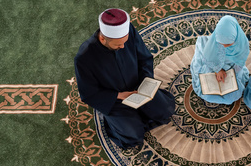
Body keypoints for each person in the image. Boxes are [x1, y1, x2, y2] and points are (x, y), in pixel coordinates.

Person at [74, 8, 175, 149]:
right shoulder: (84, 58)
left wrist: (145, 83)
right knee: (133, 136)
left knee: (166, 111)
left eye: (124, 42)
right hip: (114, 99)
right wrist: (119, 95)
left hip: (138, 86)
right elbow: (88, 93)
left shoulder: (128, 31)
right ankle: (122, 122)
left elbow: (144, 58)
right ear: (103, 38)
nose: (123, 47)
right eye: (118, 45)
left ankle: (135, 118)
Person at [190, 15, 250, 104]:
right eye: (221, 44)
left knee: (233, 95)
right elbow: (209, 58)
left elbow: (239, 64)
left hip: (232, 68)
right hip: (214, 65)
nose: (224, 46)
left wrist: (231, 75)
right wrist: (218, 70)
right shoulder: (214, 42)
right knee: (206, 91)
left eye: (228, 44)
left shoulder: (242, 45)